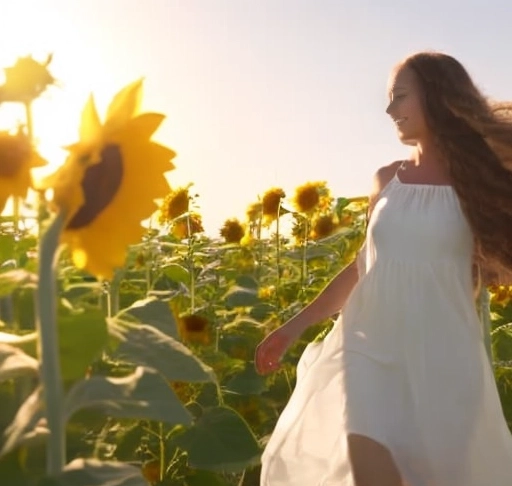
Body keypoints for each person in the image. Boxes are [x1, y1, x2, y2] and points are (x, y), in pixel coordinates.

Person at [255, 51, 512, 486]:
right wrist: (293, 327)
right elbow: (364, 268)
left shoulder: (481, 182)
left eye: (400, 97)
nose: (390, 110)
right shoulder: (386, 180)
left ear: (436, 95)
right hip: (368, 349)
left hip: (445, 359)